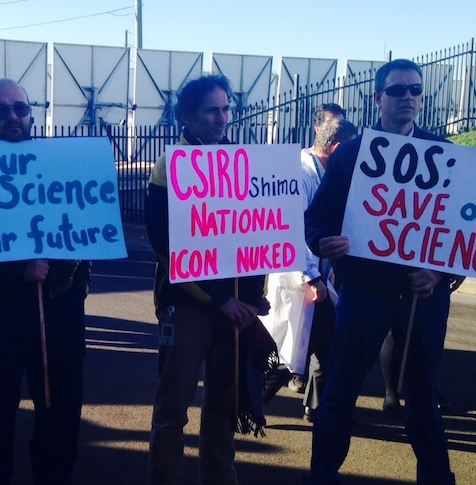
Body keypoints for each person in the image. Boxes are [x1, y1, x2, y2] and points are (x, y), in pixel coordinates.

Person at [303, 59, 457, 485]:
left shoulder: (442, 153)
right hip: (364, 293)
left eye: (415, 90)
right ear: (378, 98)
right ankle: (321, 475)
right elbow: (317, 220)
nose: (407, 97)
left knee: (423, 397)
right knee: (340, 390)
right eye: (397, 90)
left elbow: (461, 237)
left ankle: (437, 477)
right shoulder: (352, 153)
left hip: (421, 299)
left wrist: (440, 276)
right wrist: (323, 244)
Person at [0, 78, 91, 485]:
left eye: (20, 108)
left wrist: (77, 284)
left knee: (61, 410)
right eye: (2, 109)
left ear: (32, 112)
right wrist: (17, 271)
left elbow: (87, 224)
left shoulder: (59, 163)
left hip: (59, 307)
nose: (13, 116)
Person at [145, 74, 267, 485]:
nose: (222, 118)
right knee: (172, 406)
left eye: (226, 109)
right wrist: (220, 302)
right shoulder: (168, 166)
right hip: (189, 306)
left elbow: (261, 236)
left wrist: (252, 300)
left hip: (237, 308)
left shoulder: (243, 163)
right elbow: (165, 245)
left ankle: (220, 476)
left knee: (224, 402)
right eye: (212, 110)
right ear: (187, 116)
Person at [264, 117, 357, 422]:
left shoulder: (327, 174)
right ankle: (248, 401)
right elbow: (291, 229)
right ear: (339, 148)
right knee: (287, 353)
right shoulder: (298, 173)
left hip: (319, 276)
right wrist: (312, 276)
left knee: (326, 345)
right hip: (300, 277)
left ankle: (317, 408)